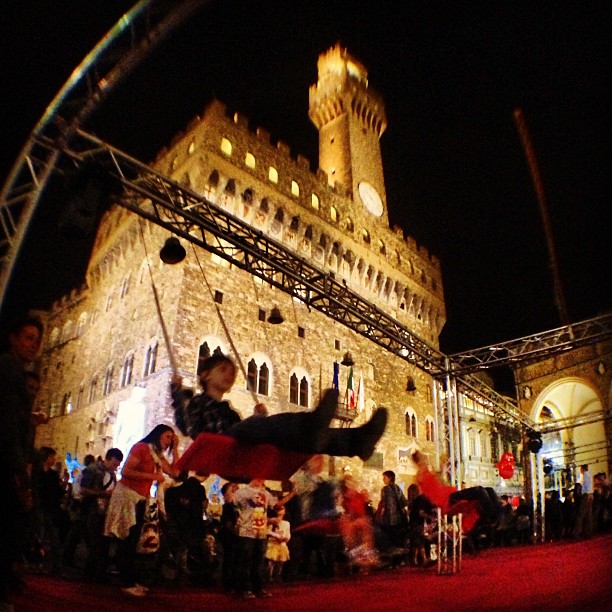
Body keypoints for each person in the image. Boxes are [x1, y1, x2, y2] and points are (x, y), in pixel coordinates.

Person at [171, 354, 387, 461]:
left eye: (232, 371)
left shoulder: (228, 410)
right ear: (205, 375)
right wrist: (177, 394)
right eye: (223, 369)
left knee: (297, 437)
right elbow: (185, 425)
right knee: (271, 426)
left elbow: (241, 428)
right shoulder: (198, 403)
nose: (230, 374)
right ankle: (311, 423)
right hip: (220, 449)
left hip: (239, 446)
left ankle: (356, 442)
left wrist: (256, 418)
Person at [104, 425, 180, 597]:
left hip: (140, 498)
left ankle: (129, 578)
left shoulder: (157, 455)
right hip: (127, 496)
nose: (169, 440)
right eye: (168, 437)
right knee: (128, 538)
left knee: (133, 539)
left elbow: (175, 472)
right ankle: (126, 581)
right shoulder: (141, 448)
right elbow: (126, 471)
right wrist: (153, 477)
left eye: (172, 438)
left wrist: (175, 448)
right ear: (158, 435)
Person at [0, 315, 43, 607]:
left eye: (37, 340)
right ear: (13, 338)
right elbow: (6, 424)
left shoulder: (13, 368)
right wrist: (19, 471)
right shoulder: (9, 367)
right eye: (28, 337)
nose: (33, 345)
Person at [79, 448, 123, 581]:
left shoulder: (112, 474)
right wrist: (103, 494)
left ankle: (99, 572)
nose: (116, 467)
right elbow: (83, 490)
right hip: (93, 510)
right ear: (108, 459)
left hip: (105, 511)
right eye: (115, 463)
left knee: (103, 543)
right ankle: (90, 573)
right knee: (95, 543)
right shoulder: (92, 470)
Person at [232, 478, 277, 599]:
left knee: (259, 562)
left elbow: (276, 505)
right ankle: (243, 588)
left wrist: (292, 494)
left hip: (261, 531)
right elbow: (233, 504)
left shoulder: (266, 493)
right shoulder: (241, 492)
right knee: (245, 561)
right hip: (247, 531)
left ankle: (258, 587)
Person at [375, 470, 408, 547]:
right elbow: (404, 502)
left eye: (384, 477)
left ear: (390, 478)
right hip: (399, 519)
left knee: (389, 538)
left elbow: (384, 505)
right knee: (397, 538)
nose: (383, 479)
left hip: (388, 519)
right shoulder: (398, 488)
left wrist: (380, 517)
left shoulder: (385, 489)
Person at [266, 504, 291, 582]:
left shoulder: (286, 523)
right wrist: (277, 536)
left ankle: (277, 576)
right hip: (273, 543)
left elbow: (288, 533)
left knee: (280, 562)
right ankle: (269, 576)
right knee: (271, 561)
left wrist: (286, 538)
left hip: (282, 544)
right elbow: (267, 531)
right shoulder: (272, 521)